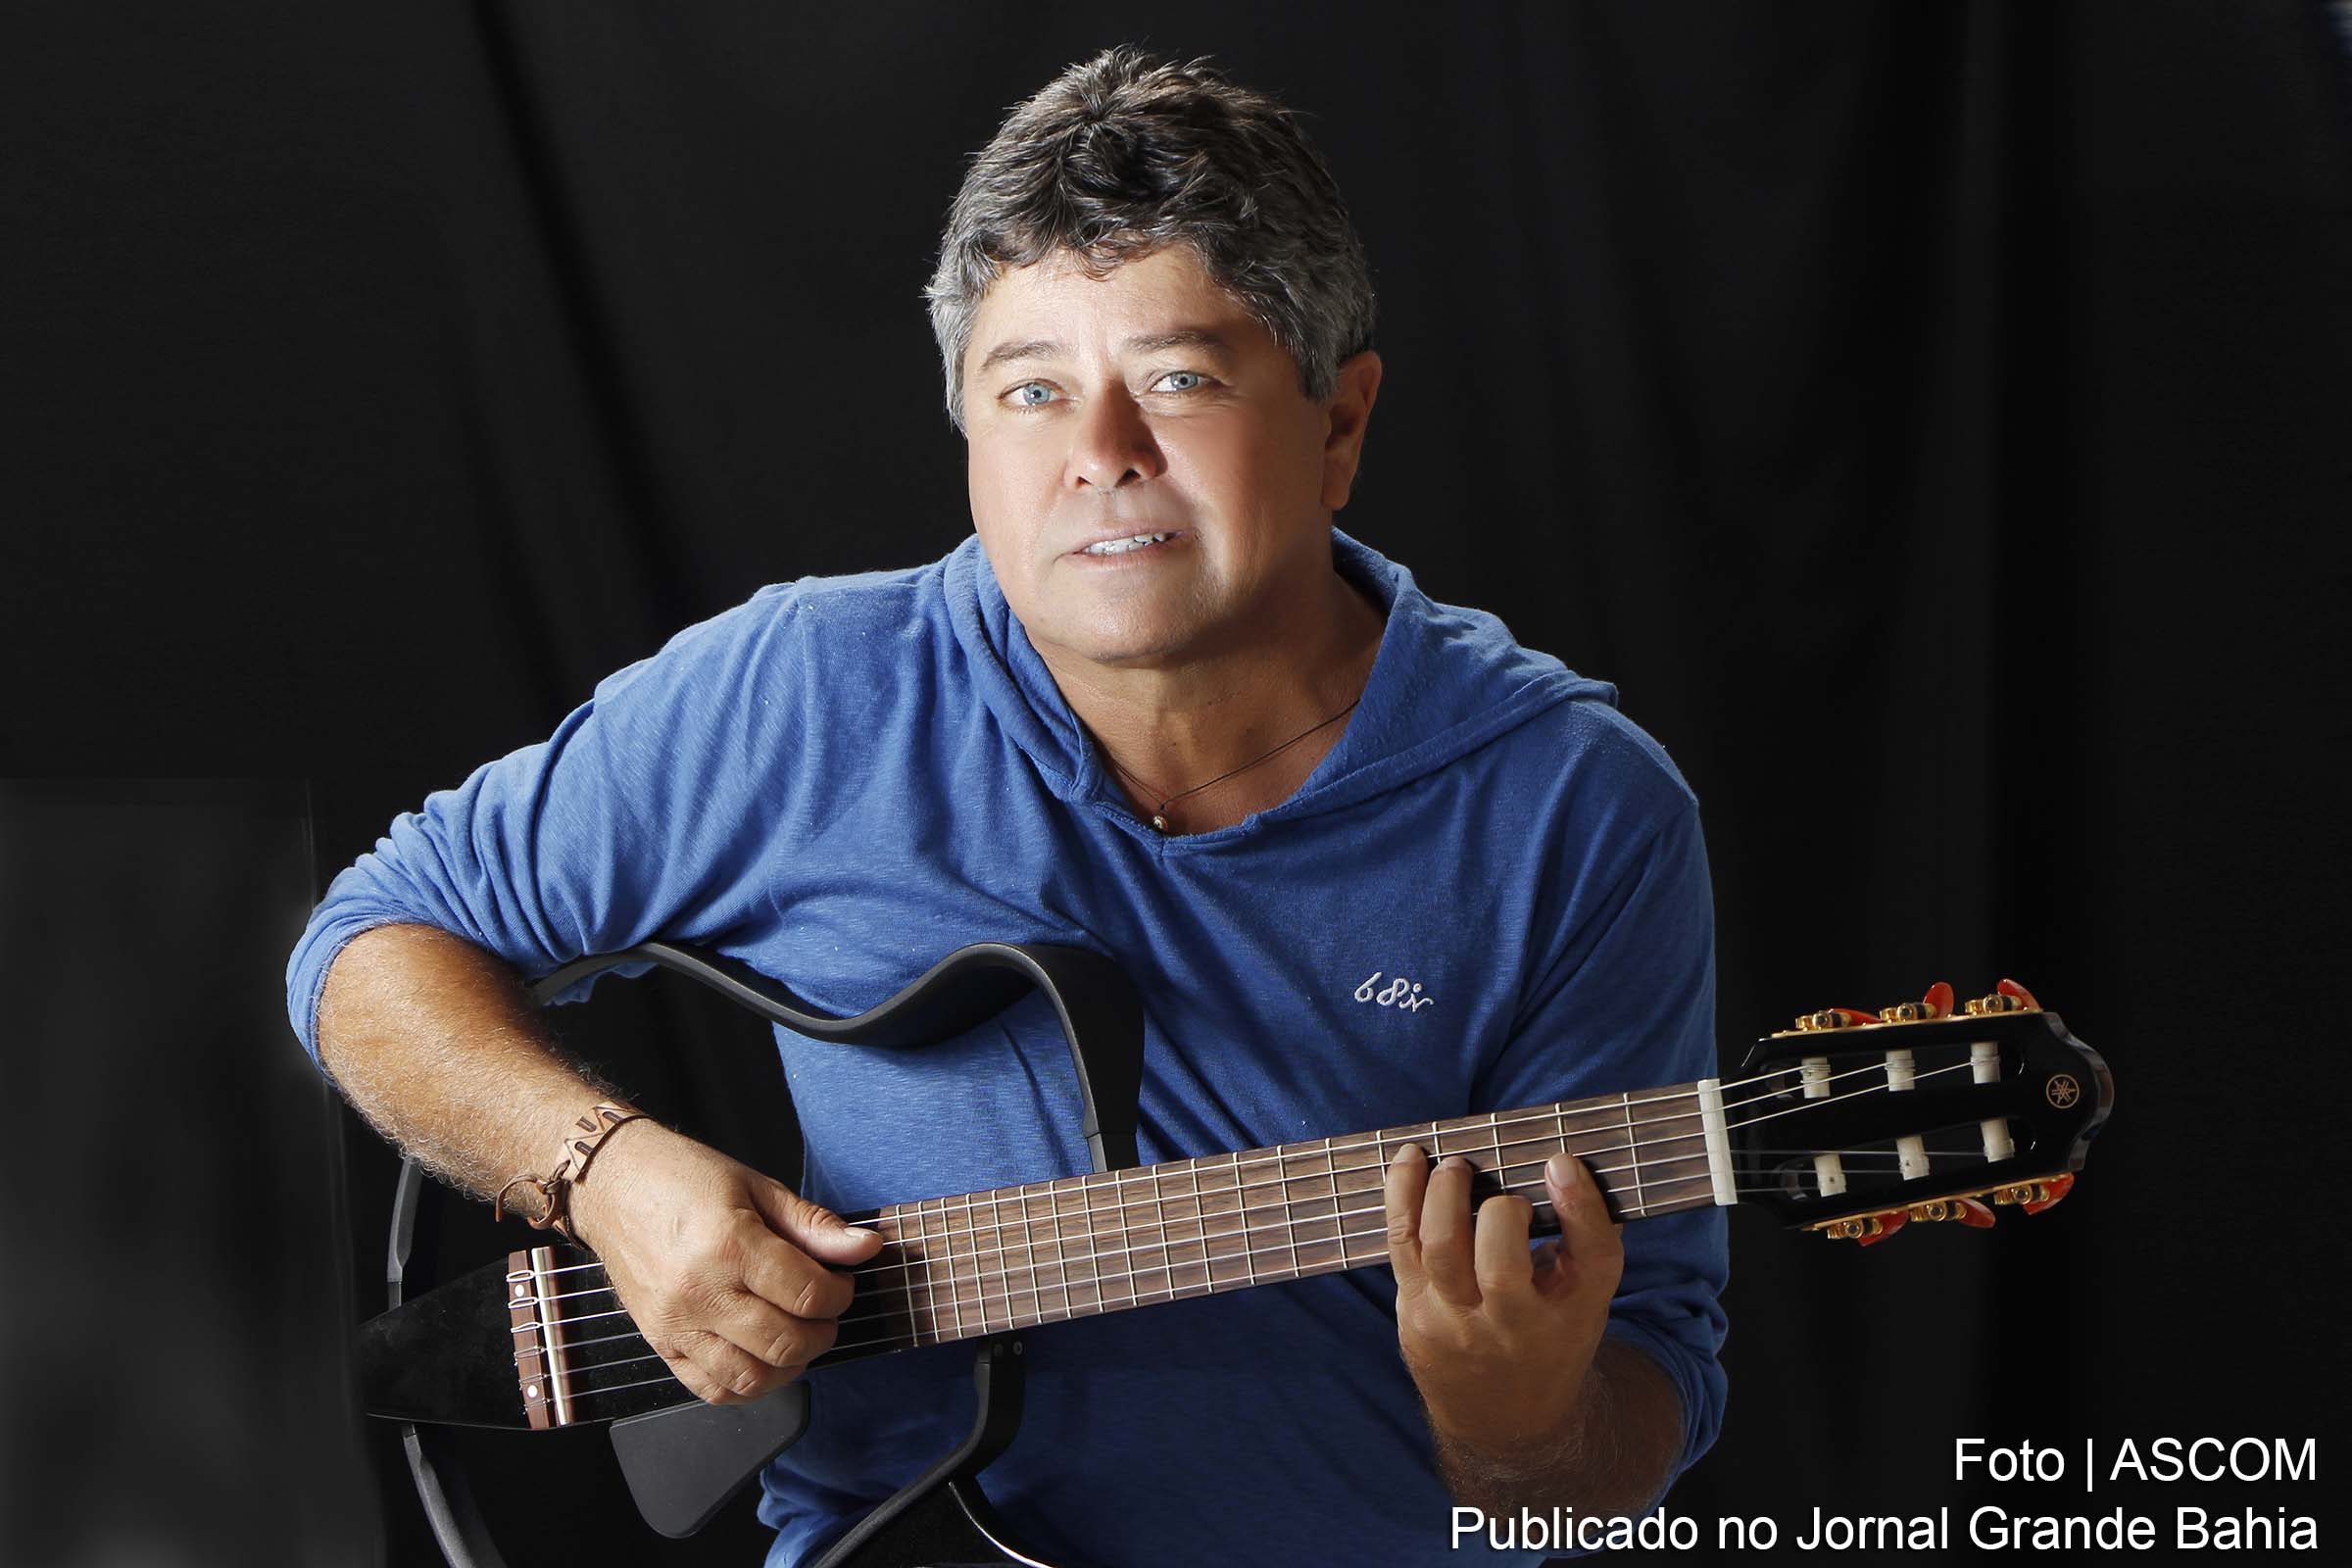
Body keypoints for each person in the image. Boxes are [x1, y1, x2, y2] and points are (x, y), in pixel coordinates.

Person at [288, 46, 1727, 1567]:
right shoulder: (808, 693)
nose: (1101, 458)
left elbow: (1618, 1426)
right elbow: (369, 949)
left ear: (1340, 424)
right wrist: (603, 1170)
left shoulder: (1574, 808)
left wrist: (1516, 1426)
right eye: (1032, 391)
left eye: (1178, 380)